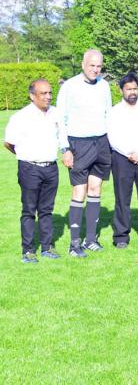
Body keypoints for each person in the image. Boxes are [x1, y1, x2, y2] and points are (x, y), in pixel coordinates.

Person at [56, 49, 112, 256]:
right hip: (78, 144)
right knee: (79, 191)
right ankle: (74, 244)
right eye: (92, 65)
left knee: (95, 189)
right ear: (83, 64)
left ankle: (90, 240)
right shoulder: (69, 86)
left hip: (102, 143)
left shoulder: (104, 85)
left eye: (99, 66)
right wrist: (65, 149)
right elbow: (60, 119)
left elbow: (108, 115)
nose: (95, 69)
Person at [4, 78, 65, 263]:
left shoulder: (55, 113)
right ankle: (28, 250)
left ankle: (47, 247)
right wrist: (25, 155)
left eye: (50, 93)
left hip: (51, 168)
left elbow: (62, 136)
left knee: (47, 210)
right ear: (32, 96)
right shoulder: (21, 117)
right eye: (43, 93)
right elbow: (9, 143)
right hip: (29, 168)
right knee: (29, 210)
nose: (48, 97)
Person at [106, 72, 138, 248]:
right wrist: (130, 154)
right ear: (121, 90)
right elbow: (113, 137)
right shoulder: (114, 112)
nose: (132, 92)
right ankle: (121, 236)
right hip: (122, 159)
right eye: (128, 89)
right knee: (122, 198)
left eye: (135, 88)